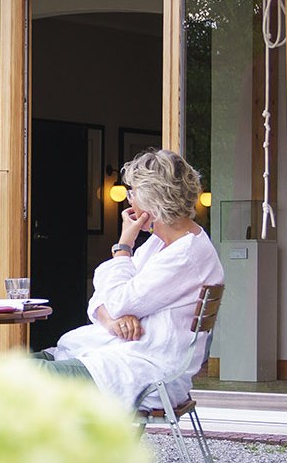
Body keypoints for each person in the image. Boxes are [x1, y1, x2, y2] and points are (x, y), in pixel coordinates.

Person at [40, 148, 225, 408]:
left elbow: (115, 298)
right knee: (23, 366)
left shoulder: (185, 256)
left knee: (20, 379)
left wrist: (124, 246)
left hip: (143, 373)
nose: (129, 201)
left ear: (154, 200)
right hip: (120, 356)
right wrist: (114, 319)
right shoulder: (160, 244)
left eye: (133, 192)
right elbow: (102, 299)